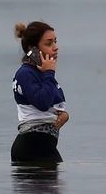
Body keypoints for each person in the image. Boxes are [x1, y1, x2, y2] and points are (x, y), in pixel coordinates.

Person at [11, 21, 68, 163]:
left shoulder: (43, 74)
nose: (56, 48)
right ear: (32, 50)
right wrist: (49, 73)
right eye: (49, 44)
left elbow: (52, 103)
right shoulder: (25, 74)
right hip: (32, 146)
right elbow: (42, 102)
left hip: (44, 146)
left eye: (55, 42)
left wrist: (64, 115)